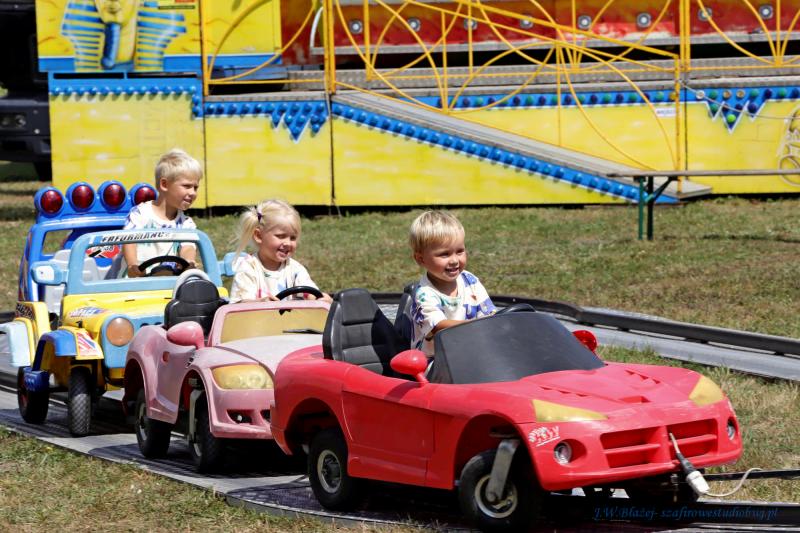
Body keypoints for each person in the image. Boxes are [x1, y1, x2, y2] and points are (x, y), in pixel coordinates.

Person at [409, 210, 496, 356]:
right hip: (435, 360)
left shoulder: (470, 280)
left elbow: (490, 315)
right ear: (421, 259)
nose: (455, 260)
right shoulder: (424, 295)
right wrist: (479, 326)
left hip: (471, 352)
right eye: (445, 254)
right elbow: (439, 326)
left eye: (460, 251)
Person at [229, 199, 332, 302]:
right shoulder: (249, 268)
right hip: (257, 313)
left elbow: (309, 293)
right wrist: (260, 303)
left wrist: (320, 299)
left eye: (293, 238)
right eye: (281, 236)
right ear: (259, 236)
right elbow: (239, 304)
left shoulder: (295, 269)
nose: (288, 243)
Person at [122, 148, 202, 277]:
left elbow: (188, 247)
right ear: (164, 184)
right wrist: (132, 265)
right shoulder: (140, 213)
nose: (192, 192)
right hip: (135, 282)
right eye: (187, 186)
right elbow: (129, 241)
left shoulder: (186, 224)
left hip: (168, 283)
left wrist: (188, 262)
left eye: (195, 187)